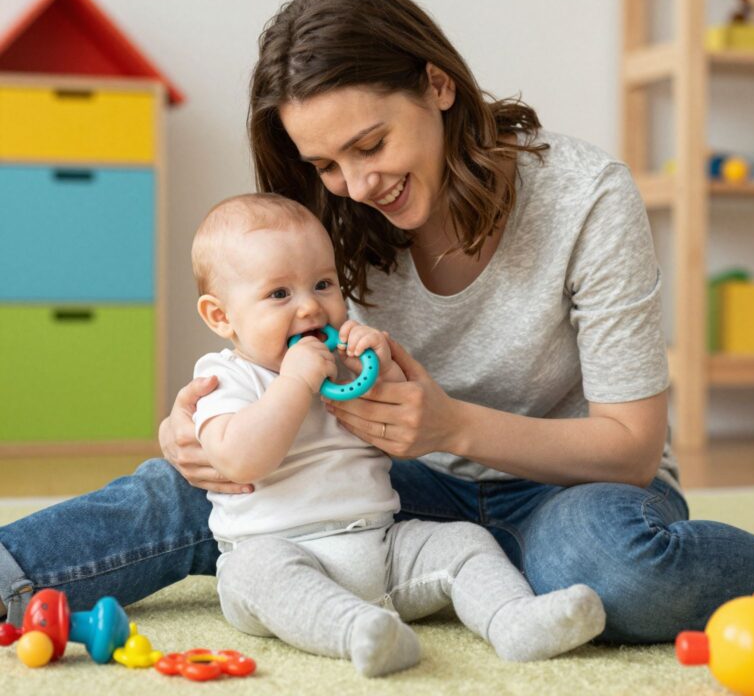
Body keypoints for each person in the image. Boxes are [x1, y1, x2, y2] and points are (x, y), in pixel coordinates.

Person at [0, 0, 754, 642]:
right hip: (388, 492)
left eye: (371, 144)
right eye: (324, 164)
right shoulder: (328, 221)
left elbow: (628, 445)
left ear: (437, 86)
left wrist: (452, 426)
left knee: (618, 565)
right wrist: (200, 428)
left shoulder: (585, 197)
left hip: (567, 487)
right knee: (185, 496)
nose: (353, 184)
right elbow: (257, 355)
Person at [182, 192, 604, 675]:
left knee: (465, 542)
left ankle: (513, 620)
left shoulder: (344, 363)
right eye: (279, 294)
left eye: (322, 284)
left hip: (380, 549)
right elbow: (240, 461)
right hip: (282, 553)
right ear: (221, 316)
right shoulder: (224, 379)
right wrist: (296, 383)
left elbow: (403, 427)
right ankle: (360, 632)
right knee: (256, 573)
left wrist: (381, 368)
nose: (309, 309)